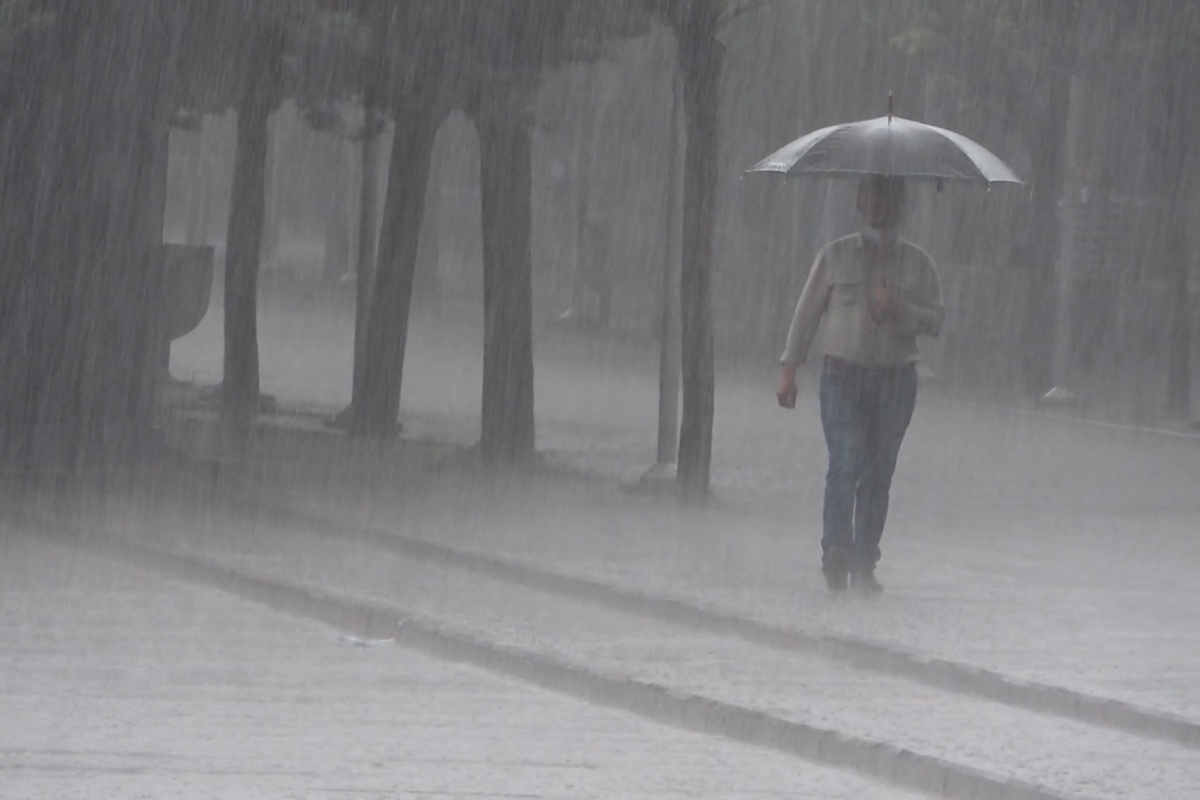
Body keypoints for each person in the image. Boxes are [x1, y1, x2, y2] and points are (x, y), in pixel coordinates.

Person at [776, 174, 943, 593]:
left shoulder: (918, 263)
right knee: (845, 463)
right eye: (872, 196)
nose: (880, 205)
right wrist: (789, 368)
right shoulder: (834, 256)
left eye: (889, 197)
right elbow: (807, 313)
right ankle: (836, 549)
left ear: (900, 204)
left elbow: (935, 320)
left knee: (878, 473)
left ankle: (865, 560)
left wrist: (898, 308)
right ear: (858, 202)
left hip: (895, 379)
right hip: (842, 376)